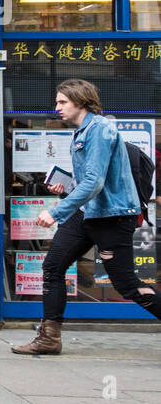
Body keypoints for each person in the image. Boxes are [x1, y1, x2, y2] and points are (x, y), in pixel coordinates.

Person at [15, 79, 160, 355]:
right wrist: (67, 188)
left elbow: (94, 182)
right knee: (53, 267)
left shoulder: (100, 129)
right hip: (87, 214)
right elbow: (93, 182)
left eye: (62, 102)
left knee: (127, 285)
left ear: (80, 101)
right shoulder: (83, 131)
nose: (56, 107)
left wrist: (56, 211)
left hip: (111, 218)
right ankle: (49, 338)